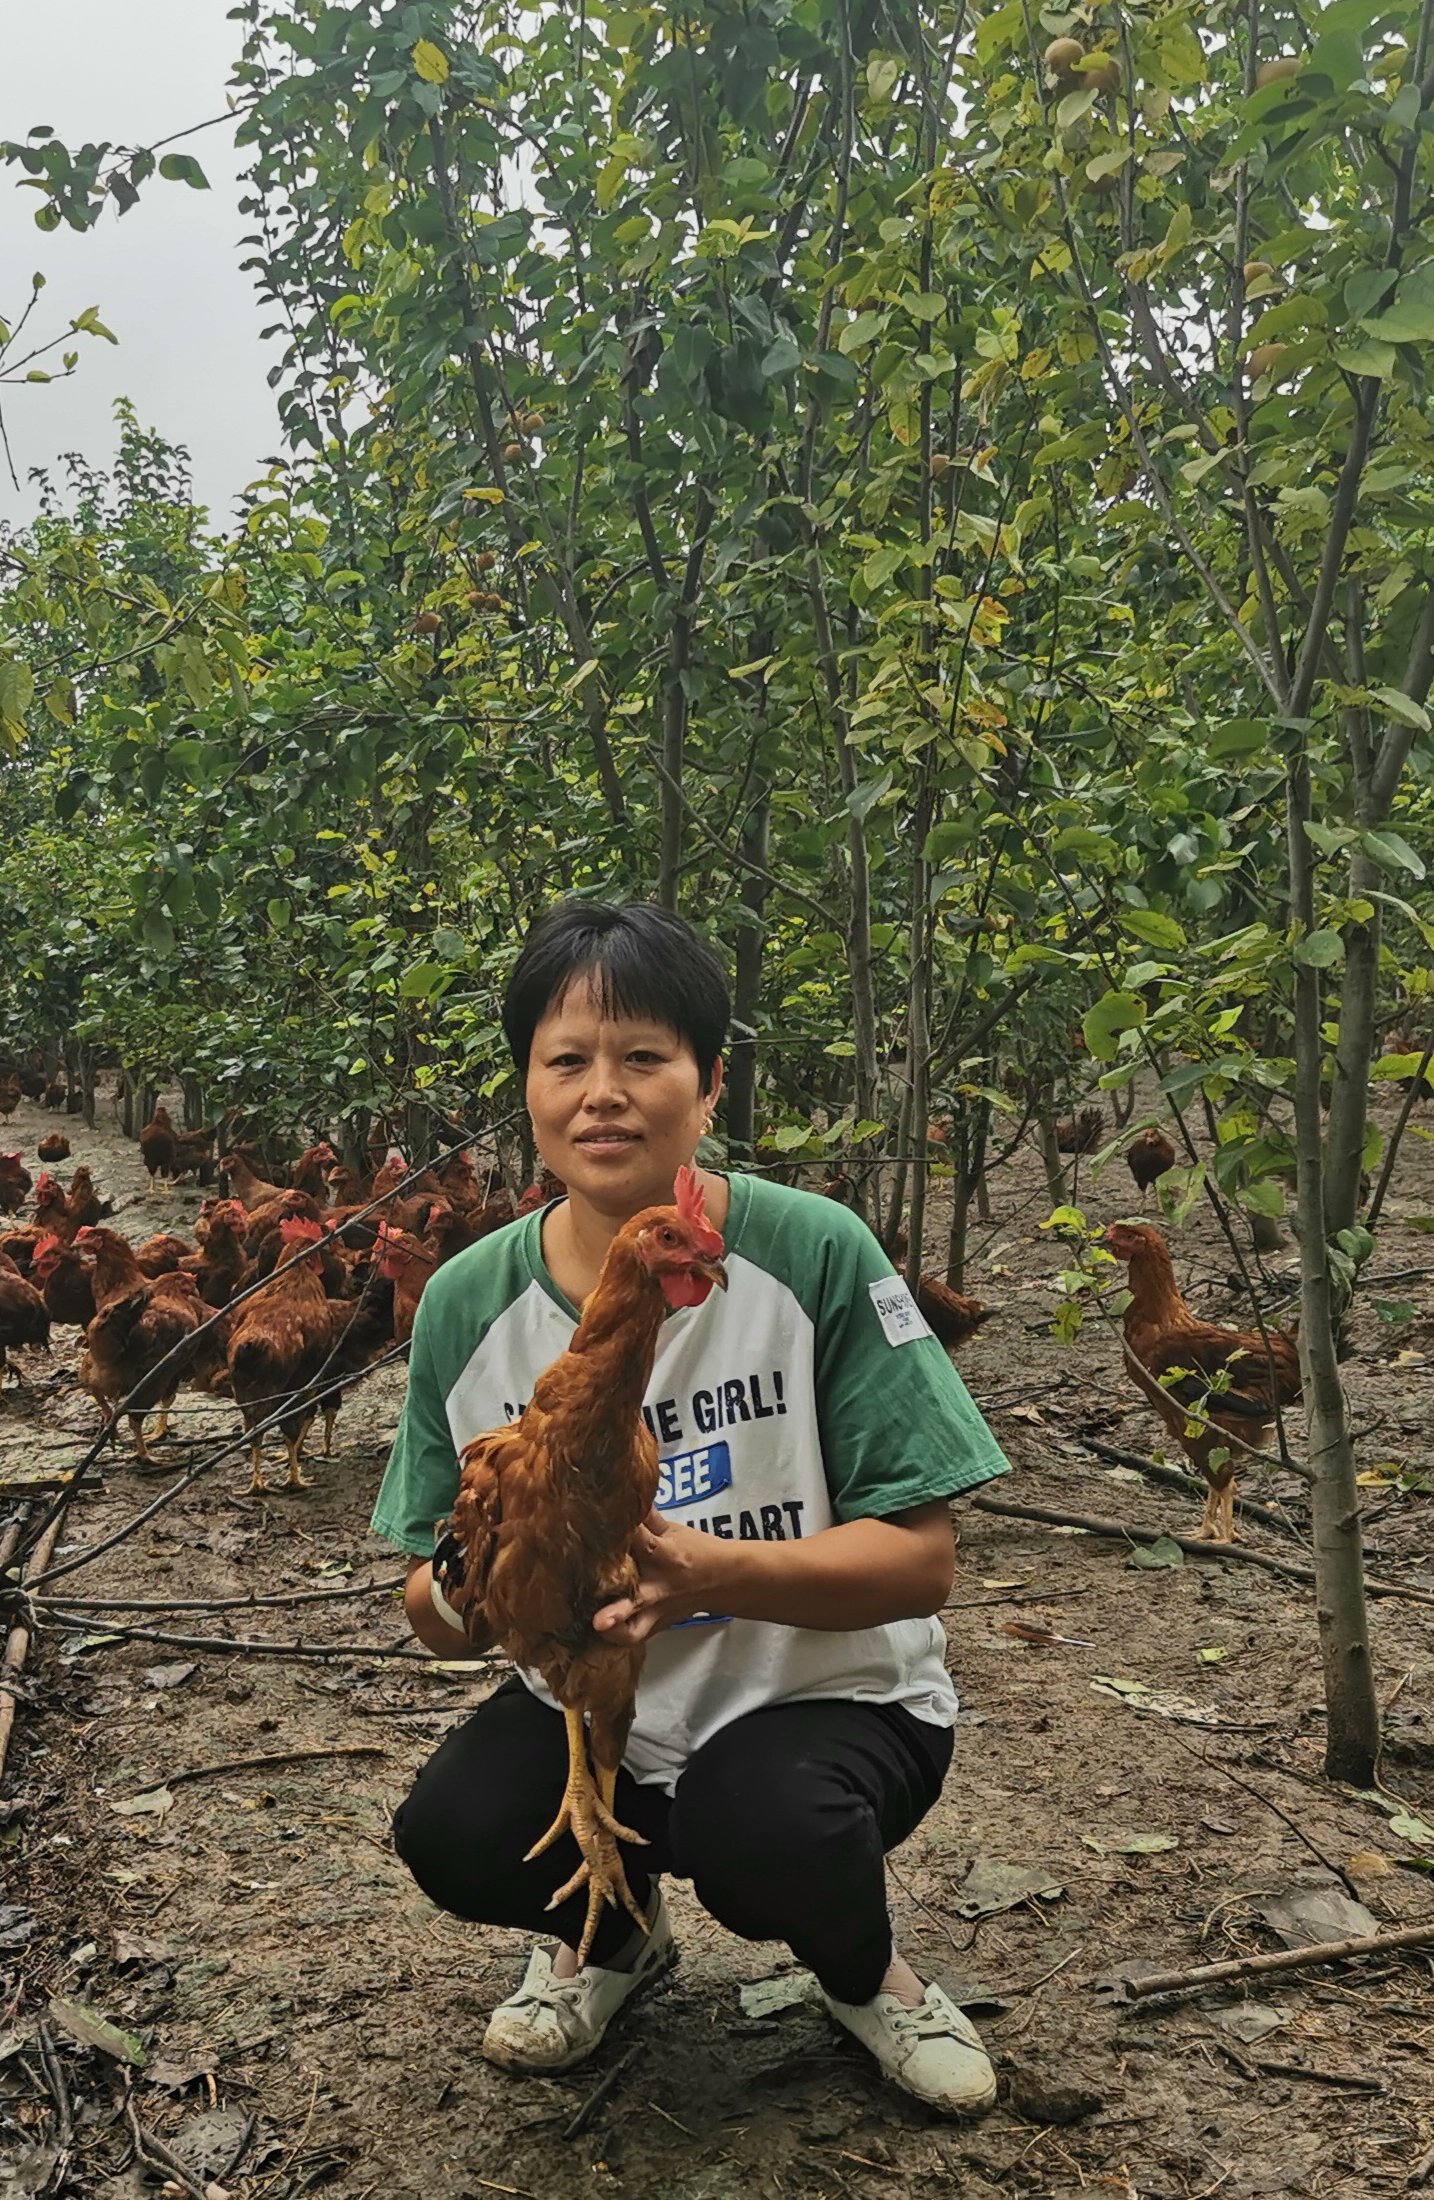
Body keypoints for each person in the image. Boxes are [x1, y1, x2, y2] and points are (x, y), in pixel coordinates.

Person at [374, 899, 1011, 2114]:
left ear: (708, 1084)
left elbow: (921, 1564)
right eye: (565, 1061)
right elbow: (427, 1589)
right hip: (592, 1696)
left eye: (643, 1059)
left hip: (817, 1692)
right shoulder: (465, 1303)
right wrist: (500, 1595)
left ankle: (866, 1973)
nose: (601, 1093)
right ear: (526, 1088)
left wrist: (704, 1577)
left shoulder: (812, 1250)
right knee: (455, 1832)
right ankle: (612, 1946)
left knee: (762, 1830)